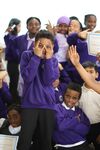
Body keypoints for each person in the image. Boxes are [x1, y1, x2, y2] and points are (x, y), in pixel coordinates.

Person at [17, 30, 59, 150]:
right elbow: (28, 77)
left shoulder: (54, 61)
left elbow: (47, 81)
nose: (44, 49)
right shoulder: (27, 55)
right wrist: (36, 57)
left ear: (52, 48)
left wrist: (48, 60)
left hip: (48, 106)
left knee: (45, 143)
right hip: (29, 105)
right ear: (34, 45)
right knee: (24, 141)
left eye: (48, 46)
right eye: (40, 45)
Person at [53, 82, 90, 150]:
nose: (70, 100)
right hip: (63, 146)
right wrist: (76, 120)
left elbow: (86, 130)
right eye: (68, 96)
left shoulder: (79, 111)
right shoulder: (57, 108)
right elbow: (60, 126)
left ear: (78, 99)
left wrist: (67, 123)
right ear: (63, 95)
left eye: (74, 98)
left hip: (82, 144)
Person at [79, 61, 100, 150]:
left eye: (91, 72)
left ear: (97, 74)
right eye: (85, 72)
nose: (88, 75)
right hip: (84, 127)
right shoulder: (78, 91)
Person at [4, 18, 21, 103]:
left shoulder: (9, 36)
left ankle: (11, 101)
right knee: (14, 84)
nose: (20, 28)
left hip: (11, 64)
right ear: (15, 27)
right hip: (13, 64)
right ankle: (13, 102)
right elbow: (15, 53)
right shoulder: (13, 38)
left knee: (13, 83)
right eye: (19, 26)